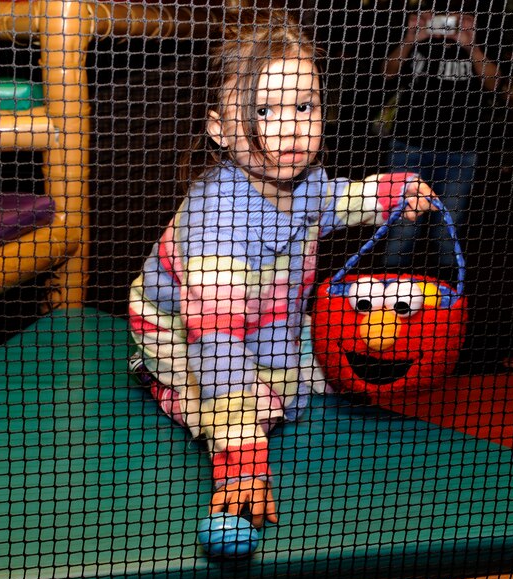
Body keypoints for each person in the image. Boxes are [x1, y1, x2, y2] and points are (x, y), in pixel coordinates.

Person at [127, 9, 439, 533]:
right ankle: (159, 381)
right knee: (233, 402)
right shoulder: (217, 229)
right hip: (183, 329)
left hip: (271, 312)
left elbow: (335, 199)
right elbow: (218, 344)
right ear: (220, 129)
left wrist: (387, 193)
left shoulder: (304, 177)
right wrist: (242, 468)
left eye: (303, 105)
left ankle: (268, 382)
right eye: (264, 111)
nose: (291, 127)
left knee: (287, 387)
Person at [379, 3, 507, 275]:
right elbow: (387, 72)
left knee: (448, 227)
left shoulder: (482, 36)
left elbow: (495, 83)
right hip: (409, 142)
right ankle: (387, 290)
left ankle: (449, 298)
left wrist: (471, 46)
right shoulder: (418, 38)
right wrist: (412, 37)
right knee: (403, 225)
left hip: (461, 148)